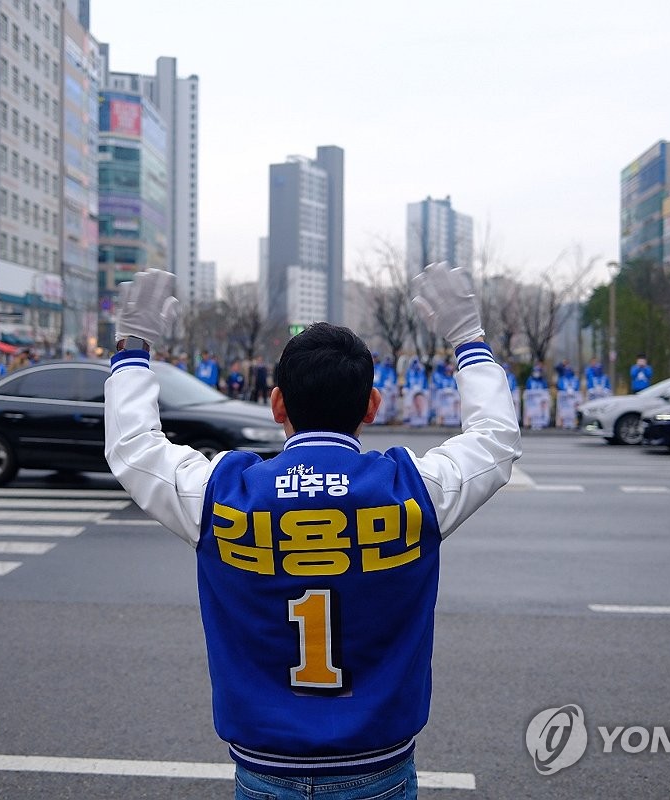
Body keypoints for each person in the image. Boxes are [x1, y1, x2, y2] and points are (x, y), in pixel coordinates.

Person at [103, 264, 520, 799]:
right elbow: (494, 439)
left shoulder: (223, 492)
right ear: (372, 406)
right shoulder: (413, 490)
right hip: (380, 767)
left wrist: (133, 347)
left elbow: (134, 447)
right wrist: (469, 340)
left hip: (264, 768)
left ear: (277, 404)